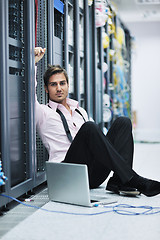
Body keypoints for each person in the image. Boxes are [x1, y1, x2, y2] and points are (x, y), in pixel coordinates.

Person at [34, 47, 160, 197]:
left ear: (68, 85)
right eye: (53, 84)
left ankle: (119, 180)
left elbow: (96, 143)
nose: (59, 88)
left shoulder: (80, 111)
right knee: (89, 128)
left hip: (93, 175)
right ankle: (133, 178)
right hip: (69, 172)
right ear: (46, 89)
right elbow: (29, 92)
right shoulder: (43, 112)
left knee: (123, 122)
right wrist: (33, 63)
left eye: (62, 83)